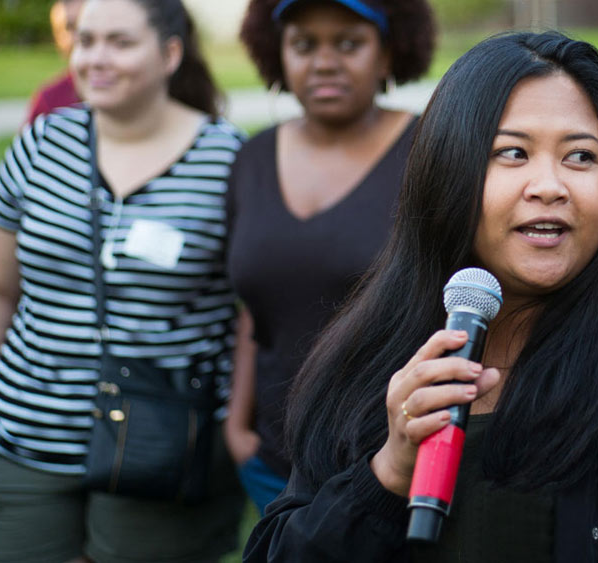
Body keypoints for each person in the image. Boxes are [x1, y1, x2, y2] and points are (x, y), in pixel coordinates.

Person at [242, 30, 598, 562]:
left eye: (581, 156)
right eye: (513, 153)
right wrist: (386, 475)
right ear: (448, 172)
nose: (550, 185)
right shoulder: (364, 368)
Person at [0, 1, 246, 561]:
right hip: (26, 432)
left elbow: (251, 310)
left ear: (171, 53)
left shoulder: (227, 159)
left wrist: (240, 419)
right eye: (86, 41)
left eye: (120, 42)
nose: (95, 59)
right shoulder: (39, 147)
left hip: (163, 439)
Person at [225, 0, 436, 514]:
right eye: (303, 44)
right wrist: (236, 425)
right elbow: (257, 309)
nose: (324, 62)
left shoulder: (429, 151)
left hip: (390, 461)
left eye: (349, 43)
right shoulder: (252, 159)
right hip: (273, 464)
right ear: (278, 53)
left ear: (388, 54)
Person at [27, 0, 85, 123]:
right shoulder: (49, 100)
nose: (82, 35)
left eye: (85, 22)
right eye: (70, 27)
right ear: (57, 39)